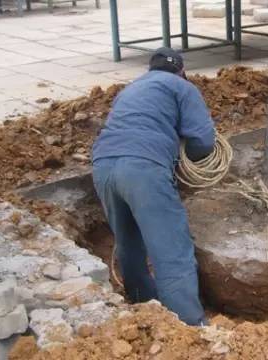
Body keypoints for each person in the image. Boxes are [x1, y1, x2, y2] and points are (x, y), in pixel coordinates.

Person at [91, 47, 214, 326]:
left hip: (103, 166)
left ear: (150, 69)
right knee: (171, 249)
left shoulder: (130, 89)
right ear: (182, 72)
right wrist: (185, 156)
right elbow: (203, 141)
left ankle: (142, 306)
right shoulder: (183, 88)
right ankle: (189, 325)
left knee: (128, 242)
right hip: (144, 168)